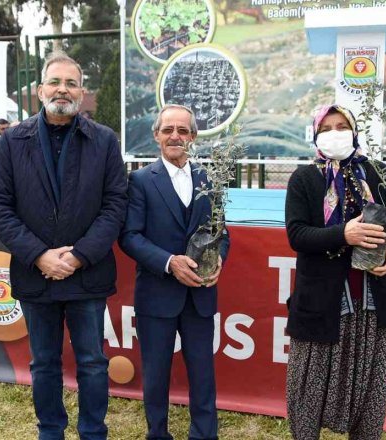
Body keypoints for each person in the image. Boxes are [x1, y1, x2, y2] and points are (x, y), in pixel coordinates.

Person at [0, 51, 128, 440]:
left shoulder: (104, 141)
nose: (62, 89)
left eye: (70, 83)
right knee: (44, 363)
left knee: (93, 363)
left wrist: (80, 255)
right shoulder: (13, 141)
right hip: (36, 273)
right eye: (55, 82)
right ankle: (51, 431)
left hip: (88, 273)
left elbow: (116, 204)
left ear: (81, 92)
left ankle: (93, 432)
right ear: (39, 89)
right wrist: (39, 255)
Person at [283, 104, 386, 439]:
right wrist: (344, 234)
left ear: (354, 131)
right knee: (308, 388)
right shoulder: (305, 178)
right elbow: (296, 234)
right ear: (315, 134)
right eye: (326, 128)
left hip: (375, 302)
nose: (335, 133)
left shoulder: (379, 173)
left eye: (341, 126)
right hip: (323, 303)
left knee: (372, 392)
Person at [118, 104, 229, 440]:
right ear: (156, 135)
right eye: (168, 130)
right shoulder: (139, 181)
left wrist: (220, 257)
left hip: (200, 294)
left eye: (183, 131)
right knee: (155, 375)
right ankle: (158, 434)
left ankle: (204, 434)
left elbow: (222, 232)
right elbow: (130, 236)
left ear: (193, 137)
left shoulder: (210, 180)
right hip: (156, 296)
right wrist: (169, 262)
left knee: (203, 374)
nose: (175, 136)